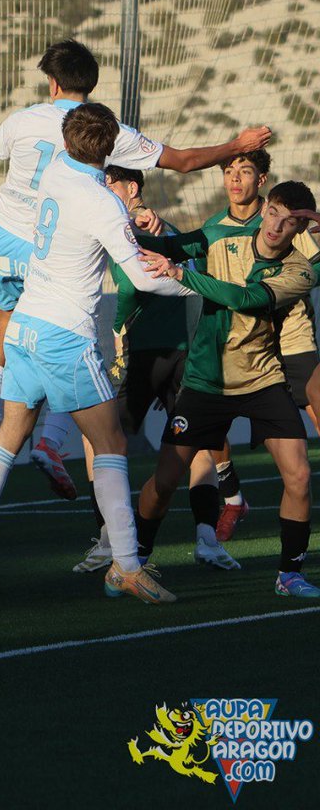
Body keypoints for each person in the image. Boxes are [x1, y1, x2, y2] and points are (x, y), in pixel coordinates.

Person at [0, 39, 271, 499]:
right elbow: (185, 162)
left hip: (2, 235)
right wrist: (237, 145)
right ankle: (53, 444)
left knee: (9, 323)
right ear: (91, 84)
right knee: (77, 342)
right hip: (54, 252)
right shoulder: (109, 134)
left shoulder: (24, 119)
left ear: (52, 82)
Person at [0, 103, 192, 604]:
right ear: (111, 148)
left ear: (66, 142)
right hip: (66, 334)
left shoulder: (56, 171)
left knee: (8, 438)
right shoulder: (103, 202)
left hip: (25, 325)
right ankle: (127, 566)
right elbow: (145, 277)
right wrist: (196, 287)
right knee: (111, 445)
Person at [136, 181, 319, 598]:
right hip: (206, 381)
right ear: (265, 207)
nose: (276, 226)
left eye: (290, 222)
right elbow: (171, 246)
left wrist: (183, 275)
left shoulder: (300, 270)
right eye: (273, 213)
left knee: (299, 475)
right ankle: (135, 560)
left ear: (299, 230)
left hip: (262, 380)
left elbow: (246, 298)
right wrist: (130, 226)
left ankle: (289, 575)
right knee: (164, 481)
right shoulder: (220, 238)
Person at [74, 166, 237, 574]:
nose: (102, 191)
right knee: (196, 442)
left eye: (109, 185)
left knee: (98, 435)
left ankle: (109, 538)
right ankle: (207, 539)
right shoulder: (160, 228)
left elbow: (133, 287)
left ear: (131, 188)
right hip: (186, 349)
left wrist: (117, 328)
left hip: (147, 351)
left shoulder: (129, 229)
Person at [200, 151, 320, 542]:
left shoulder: (285, 217)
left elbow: (314, 268)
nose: (235, 179)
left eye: (245, 171)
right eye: (228, 171)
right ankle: (232, 496)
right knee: (207, 422)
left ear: (262, 181)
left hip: (292, 339)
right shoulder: (213, 229)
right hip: (241, 346)